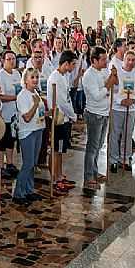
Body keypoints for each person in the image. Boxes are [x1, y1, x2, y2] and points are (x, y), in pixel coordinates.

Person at [12, 69, 46, 205]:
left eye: (37, 77)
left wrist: (48, 113)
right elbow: (26, 117)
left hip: (38, 129)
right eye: (32, 77)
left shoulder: (35, 93)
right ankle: (18, 193)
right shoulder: (22, 95)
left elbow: (38, 113)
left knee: (33, 163)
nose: (35, 80)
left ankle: (29, 190)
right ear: (25, 80)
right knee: (28, 163)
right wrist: (37, 103)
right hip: (28, 132)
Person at [81, 46, 113, 189]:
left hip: (104, 113)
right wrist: (108, 85)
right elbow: (97, 95)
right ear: (94, 60)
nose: (106, 61)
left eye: (106, 58)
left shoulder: (104, 70)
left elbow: (111, 84)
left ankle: (94, 171)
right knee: (92, 147)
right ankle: (88, 177)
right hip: (94, 114)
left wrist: (112, 79)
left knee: (98, 145)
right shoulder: (88, 75)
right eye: (103, 59)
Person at [46, 50, 78, 194]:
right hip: (58, 119)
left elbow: (67, 98)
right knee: (56, 150)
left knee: (60, 150)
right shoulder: (56, 78)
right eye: (73, 64)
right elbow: (62, 102)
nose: (74, 67)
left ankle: (59, 175)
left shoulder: (63, 76)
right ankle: (55, 179)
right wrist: (73, 115)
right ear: (66, 64)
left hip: (64, 118)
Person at [109, 51, 135, 173]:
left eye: (133, 60)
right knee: (115, 134)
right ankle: (113, 160)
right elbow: (112, 90)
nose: (130, 62)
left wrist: (134, 100)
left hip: (131, 108)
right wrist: (120, 101)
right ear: (124, 60)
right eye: (128, 59)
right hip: (117, 108)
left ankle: (125, 158)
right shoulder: (117, 72)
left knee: (128, 134)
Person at [0, 50, 22, 176]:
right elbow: (0, 96)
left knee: (11, 139)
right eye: (9, 59)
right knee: (3, 141)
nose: (12, 61)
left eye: (13, 59)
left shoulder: (17, 73)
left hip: (15, 113)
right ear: (3, 61)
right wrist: (16, 97)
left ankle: (10, 163)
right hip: (4, 113)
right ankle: (1, 166)